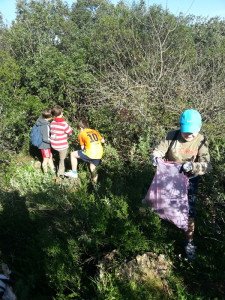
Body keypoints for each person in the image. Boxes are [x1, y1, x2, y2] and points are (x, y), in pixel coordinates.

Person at [150, 109, 211, 259]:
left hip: (190, 180)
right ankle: (161, 233)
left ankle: (189, 241)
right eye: (185, 132)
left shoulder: (201, 140)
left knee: (189, 212)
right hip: (170, 178)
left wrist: (193, 167)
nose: (188, 135)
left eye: (192, 132)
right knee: (164, 205)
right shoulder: (172, 136)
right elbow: (159, 150)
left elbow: (207, 165)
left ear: (199, 127)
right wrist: (154, 156)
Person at [64, 120, 104, 184]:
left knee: (73, 154)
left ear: (81, 128)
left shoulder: (82, 134)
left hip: (90, 152)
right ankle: (95, 185)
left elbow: (82, 147)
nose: (79, 131)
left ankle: (74, 172)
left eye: (79, 130)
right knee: (92, 167)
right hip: (99, 153)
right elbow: (102, 141)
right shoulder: (94, 131)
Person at [50, 105, 73, 180]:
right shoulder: (64, 123)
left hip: (53, 144)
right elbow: (70, 132)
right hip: (61, 146)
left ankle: (55, 166)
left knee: (58, 157)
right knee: (62, 160)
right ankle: (60, 175)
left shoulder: (52, 122)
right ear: (61, 113)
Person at [36, 108, 55, 174]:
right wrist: (53, 141)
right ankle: (46, 174)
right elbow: (45, 138)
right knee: (46, 159)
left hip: (43, 145)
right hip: (44, 145)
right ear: (49, 117)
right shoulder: (45, 125)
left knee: (50, 156)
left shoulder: (41, 121)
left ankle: (53, 170)